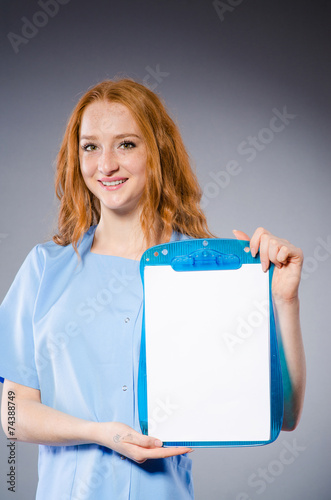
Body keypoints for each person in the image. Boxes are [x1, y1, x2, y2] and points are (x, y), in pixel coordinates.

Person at [0, 79, 306, 500]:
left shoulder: (208, 271)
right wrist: (99, 433)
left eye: (125, 144)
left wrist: (284, 300)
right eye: (90, 147)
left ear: (157, 152)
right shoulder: (44, 269)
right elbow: (14, 416)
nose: (105, 164)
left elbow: (282, 415)